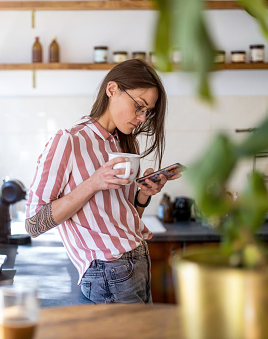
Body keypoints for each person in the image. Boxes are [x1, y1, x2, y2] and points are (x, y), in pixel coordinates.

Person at [25, 59, 180, 304]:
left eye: (146, 111)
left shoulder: (126, 145)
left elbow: (125, 220)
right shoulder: (69, 141)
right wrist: (93, 182)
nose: (141, 118)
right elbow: (33, 224)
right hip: (108, 272)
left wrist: (144, 194)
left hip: (138, 262)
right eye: (139, 106)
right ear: (112, 90)